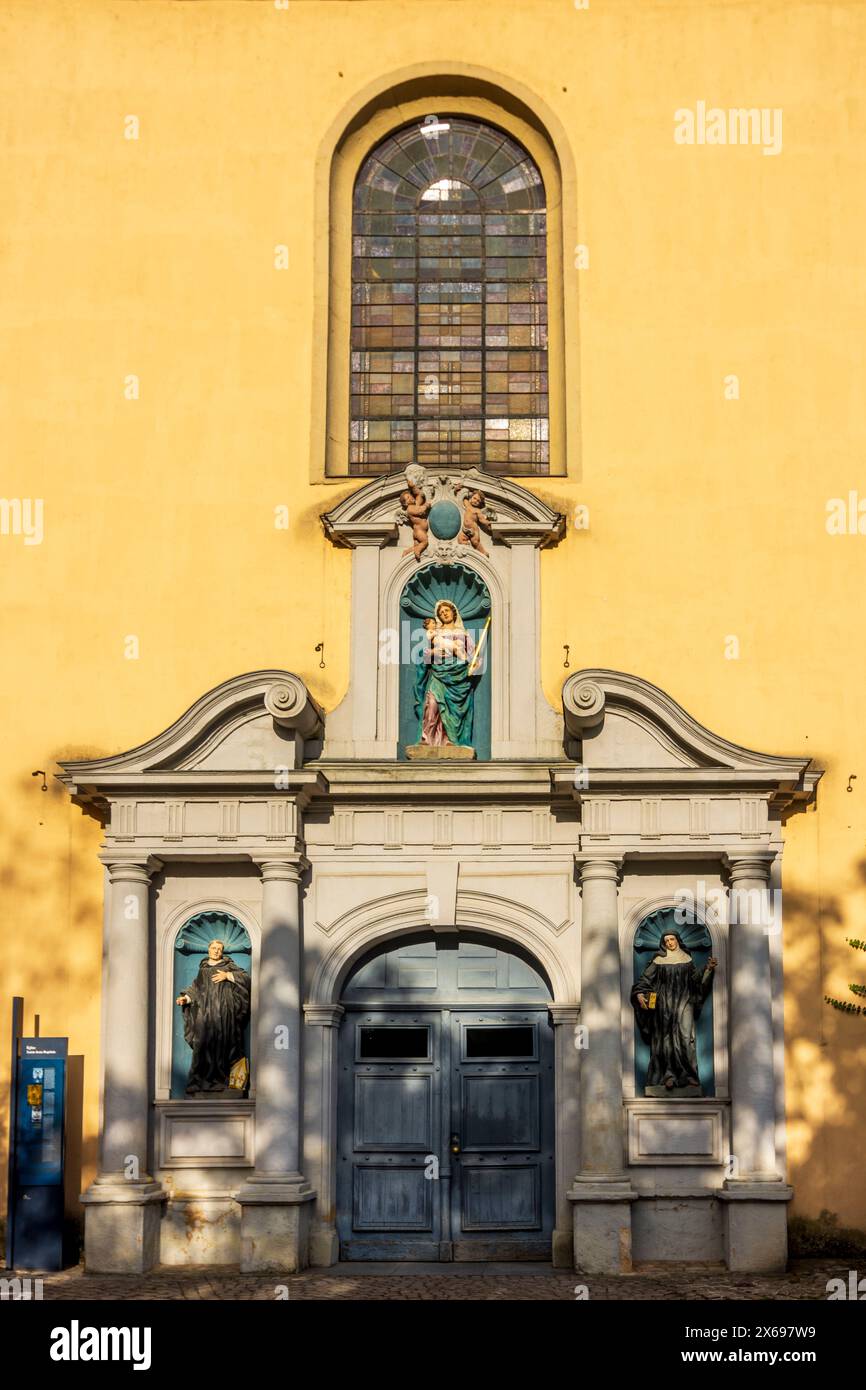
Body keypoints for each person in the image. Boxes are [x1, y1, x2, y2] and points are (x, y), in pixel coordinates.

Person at [631, 931, 716, 1094]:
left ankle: (689, 1076)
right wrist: (640, 994)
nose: (670, 942)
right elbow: (645, 980)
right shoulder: (658, 960)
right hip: (664, 1005)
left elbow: (695, 980)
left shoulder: (687, 959)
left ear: (677, 940)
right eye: (667, 940)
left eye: (672, 939)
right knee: (665, 1039)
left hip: (685, 1002)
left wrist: (708, 968)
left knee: (685, 1037)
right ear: (663, 943)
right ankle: (667, 1076)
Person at [176, 938, 251, 1095]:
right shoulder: (203, 970)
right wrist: (186, 998)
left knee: (225, 1045)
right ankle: (200, 1082)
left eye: (219, 948)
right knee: (202, 1046)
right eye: (214, 948)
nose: (216, 951)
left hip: (225, 1015)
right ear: (208, 950)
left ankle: (224, 1081)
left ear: (222, 952)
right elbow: (196, 989)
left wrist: (228, 976)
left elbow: (246, 979)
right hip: (205, 1015)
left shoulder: (228, 967)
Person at [413, 599, 478, 748]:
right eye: (441, 613)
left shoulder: (464, 634)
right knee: (432, 705)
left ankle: (451, 741)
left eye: (446, 611)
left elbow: (474, 657)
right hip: (439, 675)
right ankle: (427, 740)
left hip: (459, 678)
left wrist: (473, 665)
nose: (444, 614)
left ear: (453, 612)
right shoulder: (436, 633)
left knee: (453, 712)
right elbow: (425, 656)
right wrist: (434, 653)